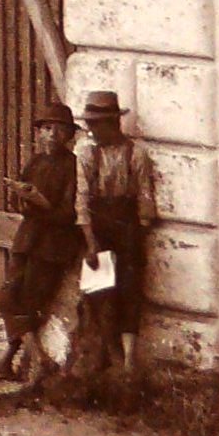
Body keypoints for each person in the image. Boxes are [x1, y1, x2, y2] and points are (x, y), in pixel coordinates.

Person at [0, 104, 81, 382]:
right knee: (6, 296)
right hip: (27, 239)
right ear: (39, 133)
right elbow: (16, 202)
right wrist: (21, 196)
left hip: (52, 244)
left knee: (30, 301)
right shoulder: (35, 162)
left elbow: (70, 212)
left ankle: (15, 362)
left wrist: (44, 206)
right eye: (47, 129)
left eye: (59, 130)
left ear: (69, 136)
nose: (52, 135)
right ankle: (38, 359)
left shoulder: (72, 166)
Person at [74, 89, 158, 373]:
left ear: (113, 123)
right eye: (89, 124)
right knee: (100, 294)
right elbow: (81, 199)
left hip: (128, 228)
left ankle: (129, 361)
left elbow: (145, 197)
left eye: (96, 125)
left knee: (130, 292)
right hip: (98, 231)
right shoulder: (86, 153)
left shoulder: (136, 153)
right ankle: (109, 356)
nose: (92, 131)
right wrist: (90, 243)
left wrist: (139, 236)